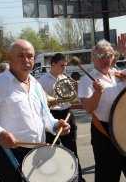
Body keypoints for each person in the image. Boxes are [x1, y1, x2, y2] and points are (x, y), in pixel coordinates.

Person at [0, 39, 70, 182]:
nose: (26, 60)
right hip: (10, 154)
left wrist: (55, 125)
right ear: (10, 59)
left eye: (30, 56)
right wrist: (0, 134)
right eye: (20, 56)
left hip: (37, 152)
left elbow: (45, 116)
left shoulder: (36, 84)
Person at [78, 35, 126, 182]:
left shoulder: (118, 73)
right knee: (107, 176)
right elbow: (88, 108)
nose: (106, 59)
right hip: (104, 132)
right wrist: (97, 93)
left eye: (109, 55)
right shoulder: (86, 80)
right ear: (93, 57)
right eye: (101, 55)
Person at [38, 53, 85, 182]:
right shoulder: (43, 81)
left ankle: (78, 177)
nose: (64, 68)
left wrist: (75, 91)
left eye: (65, 65)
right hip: (52, 116)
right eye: (61, 65)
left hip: (67, 114)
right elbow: (40, 103)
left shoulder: (64, 77)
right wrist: (55, 101)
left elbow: (72, 98)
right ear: (52, 64)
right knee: (52, 151)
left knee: (72, 149)